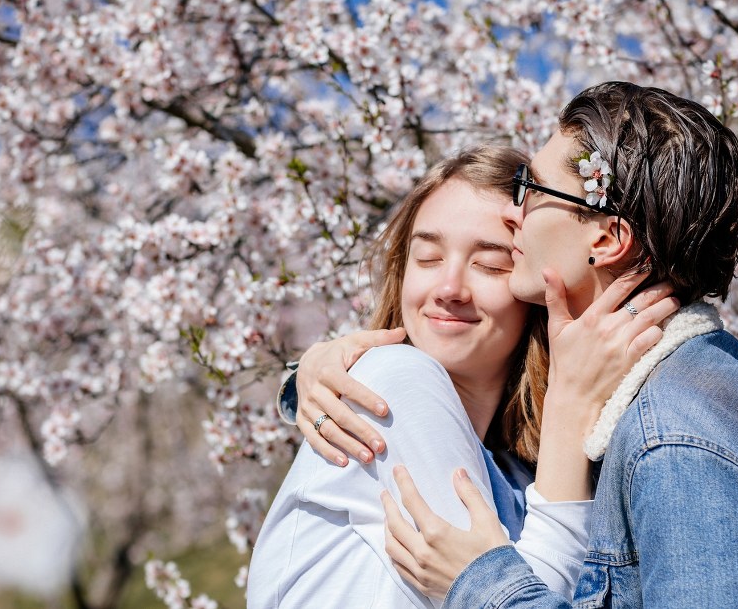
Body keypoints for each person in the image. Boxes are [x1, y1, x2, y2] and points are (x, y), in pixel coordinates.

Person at [289, 82, 738, 608]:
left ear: (606, 238)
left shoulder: (673, 434)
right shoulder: (627, 426)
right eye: (426, 257)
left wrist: (481, 586)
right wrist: (308, 376)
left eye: (531, 190)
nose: (514, 211)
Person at [247, 145, 677, 608]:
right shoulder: (396, 379)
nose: (449, 289)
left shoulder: (519, 479)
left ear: (534, 290)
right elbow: (523, 598)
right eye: (427, 258)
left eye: (491, 265)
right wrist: (569, 407)